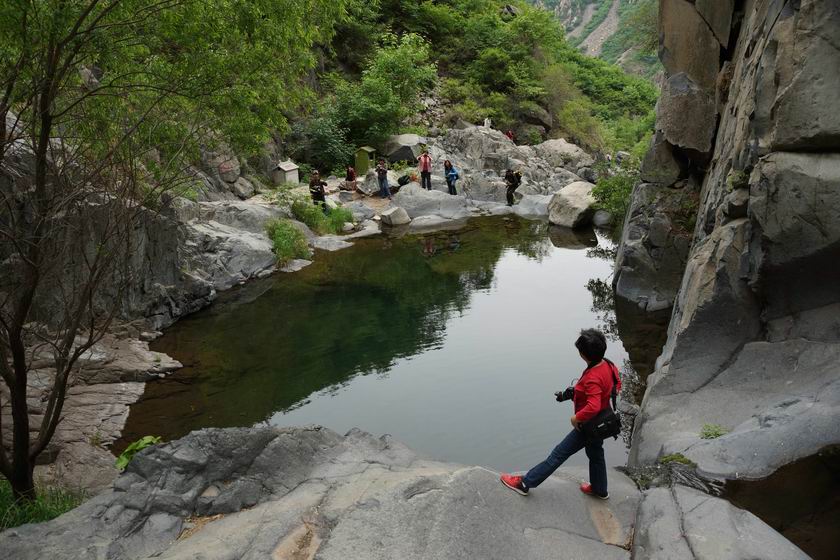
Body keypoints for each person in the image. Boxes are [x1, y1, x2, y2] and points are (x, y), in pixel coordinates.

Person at [500, 329, 621, 500]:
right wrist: (574, 394)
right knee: (596, 454)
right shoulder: (608, 364)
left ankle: (525, 483)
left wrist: (576, 418)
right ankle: (600, 489)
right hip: (602, 421)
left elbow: (592, 406)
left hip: (588, 425)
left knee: (558, 454)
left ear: (583, 354)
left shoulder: (592, 377)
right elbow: (616, 385)